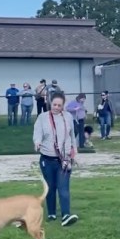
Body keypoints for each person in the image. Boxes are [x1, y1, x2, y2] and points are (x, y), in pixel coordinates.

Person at [33, 91, 78, 227]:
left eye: (59, 105)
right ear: (50, 104)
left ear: (63, 106)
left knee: (63, 188)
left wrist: (74, 150)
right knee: (50, 187)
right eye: (54, 104)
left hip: (64, 160)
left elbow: (71, 135)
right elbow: (37, 133)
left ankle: (66, 215)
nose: (56, 107)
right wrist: (37, 142)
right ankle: (51, 212)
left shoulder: (68, 117)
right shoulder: (42, 118)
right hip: (47, 159)